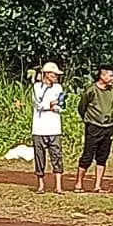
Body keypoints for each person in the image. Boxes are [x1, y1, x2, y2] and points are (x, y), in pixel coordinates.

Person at [75, 65, 113, 193]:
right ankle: (78, 184)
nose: (112, 78)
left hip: (108, 126)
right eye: (109, 75)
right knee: (87, 155)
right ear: (102, 76)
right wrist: (88, 119)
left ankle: (97, 185)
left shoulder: (112, 89)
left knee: (102, 156)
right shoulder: (91, 90)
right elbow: (82, 107)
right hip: (93, 126)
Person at [31, 62, 66, 194]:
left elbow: (62, 104)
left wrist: (54, 105)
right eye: (53, 74)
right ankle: (41, 185)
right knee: (39, 156)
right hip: (39, 128)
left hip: (55, 128)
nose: (56, 76)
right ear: (46, 74)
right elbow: (38, 104)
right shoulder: (36, 87)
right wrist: (51, 104)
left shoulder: (58, 87)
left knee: (56, 155)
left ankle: (58, 185)